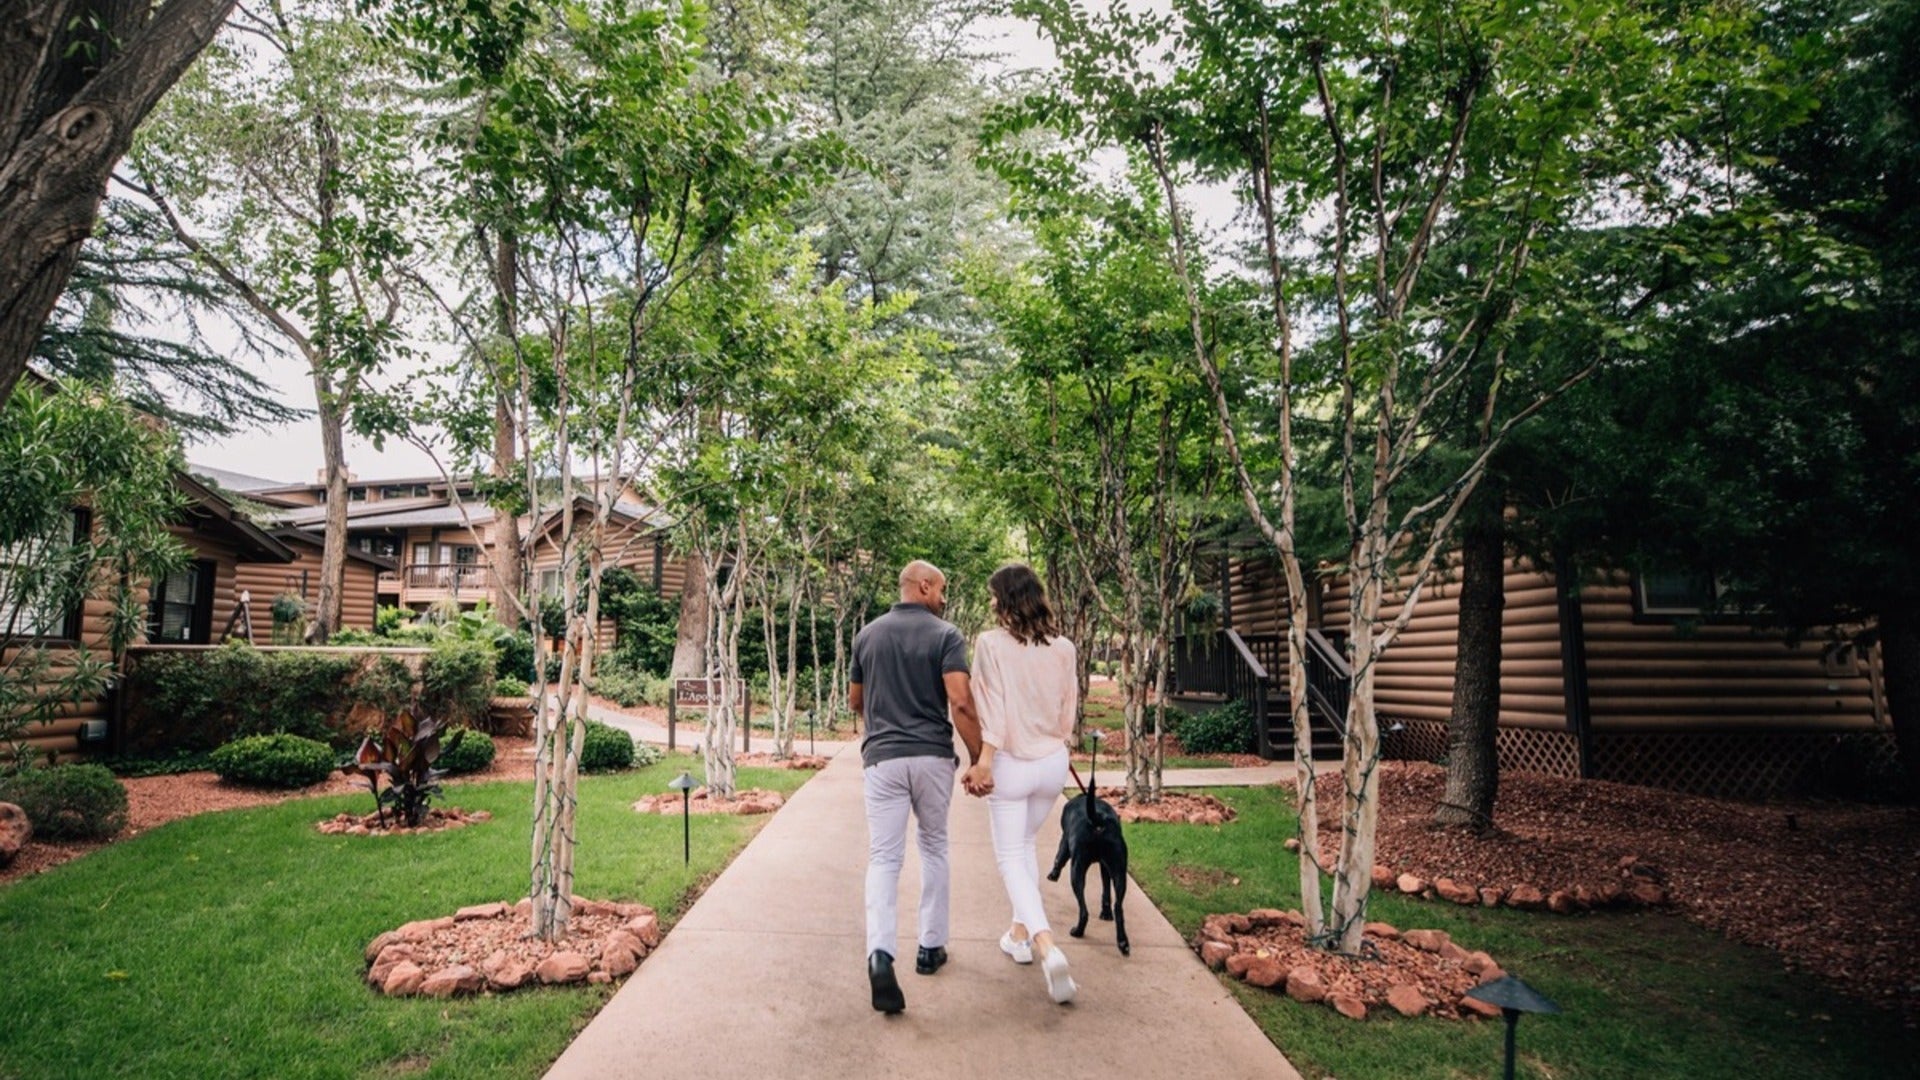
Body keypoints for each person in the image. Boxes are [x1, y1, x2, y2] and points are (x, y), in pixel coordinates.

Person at [849, 559, 984, 1015]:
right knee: (934, 847)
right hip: (930, 757)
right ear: (923, 586)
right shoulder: (945, 635)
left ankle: (880, 954)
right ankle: (930, 947)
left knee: (884, 858)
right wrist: (979, 756)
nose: (944, 598)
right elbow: (961, 702)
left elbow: (856, 701)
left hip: (882, 760)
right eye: (942, 589)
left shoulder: (866, 635)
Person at [961, 562, 1080, 1004]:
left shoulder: (990, 644)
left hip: (1010, 762)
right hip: (1052, 763)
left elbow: (989, 706)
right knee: (1026, 844)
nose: (991, 603)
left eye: (994, 596)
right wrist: (1056, 741)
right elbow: (1068, 708)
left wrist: (984, 760)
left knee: (1011, 855)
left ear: (1007, 598)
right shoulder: (1064, 647)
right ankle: (1017, 934)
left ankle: (1045, 945)